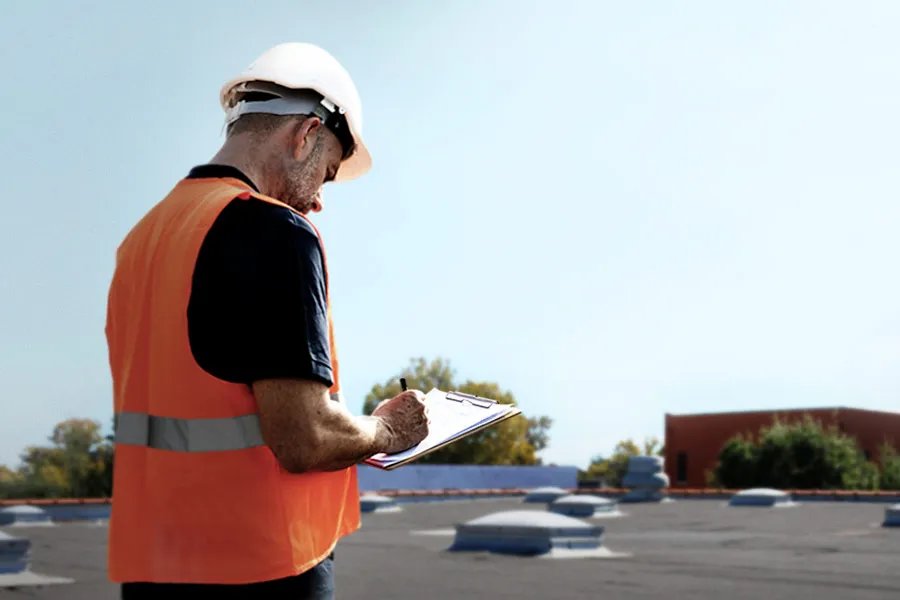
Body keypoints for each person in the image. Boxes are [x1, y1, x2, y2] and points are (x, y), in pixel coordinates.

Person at [104, 42, 430, 600]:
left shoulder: (144, 239)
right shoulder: (273, 231)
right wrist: (389, 431)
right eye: (326, 175)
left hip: (153, 566)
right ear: (305, 133)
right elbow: (303, 438)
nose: (320, 202)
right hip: (258, 568)